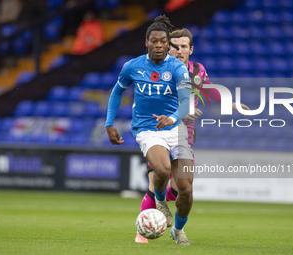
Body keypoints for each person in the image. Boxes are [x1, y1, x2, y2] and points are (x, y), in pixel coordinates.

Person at [135, 28, 250, 244]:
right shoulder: (159, 69)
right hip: (158, 131)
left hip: (184, 137)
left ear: (191, 49)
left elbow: (210, 90)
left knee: (183, 190)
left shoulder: (197, 70)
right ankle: (142, 231)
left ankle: (177, 229)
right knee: (156, 178)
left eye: (184, 46)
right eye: (175, 46)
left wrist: (232, 105)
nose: (179, 50)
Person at [105, 15, 194, 245]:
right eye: (154, 41)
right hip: (148, 128)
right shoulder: (132, 66)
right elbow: (117, 92)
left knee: (185, 188)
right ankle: (161, 202)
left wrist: (172, 117)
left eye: (163, 42)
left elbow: (185, 103)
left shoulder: (177, 68)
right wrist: (109, 123)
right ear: (147, 42)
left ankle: (178, 229)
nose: (158, 45)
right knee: (162, 171)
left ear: (168, 44)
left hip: (176, 129)